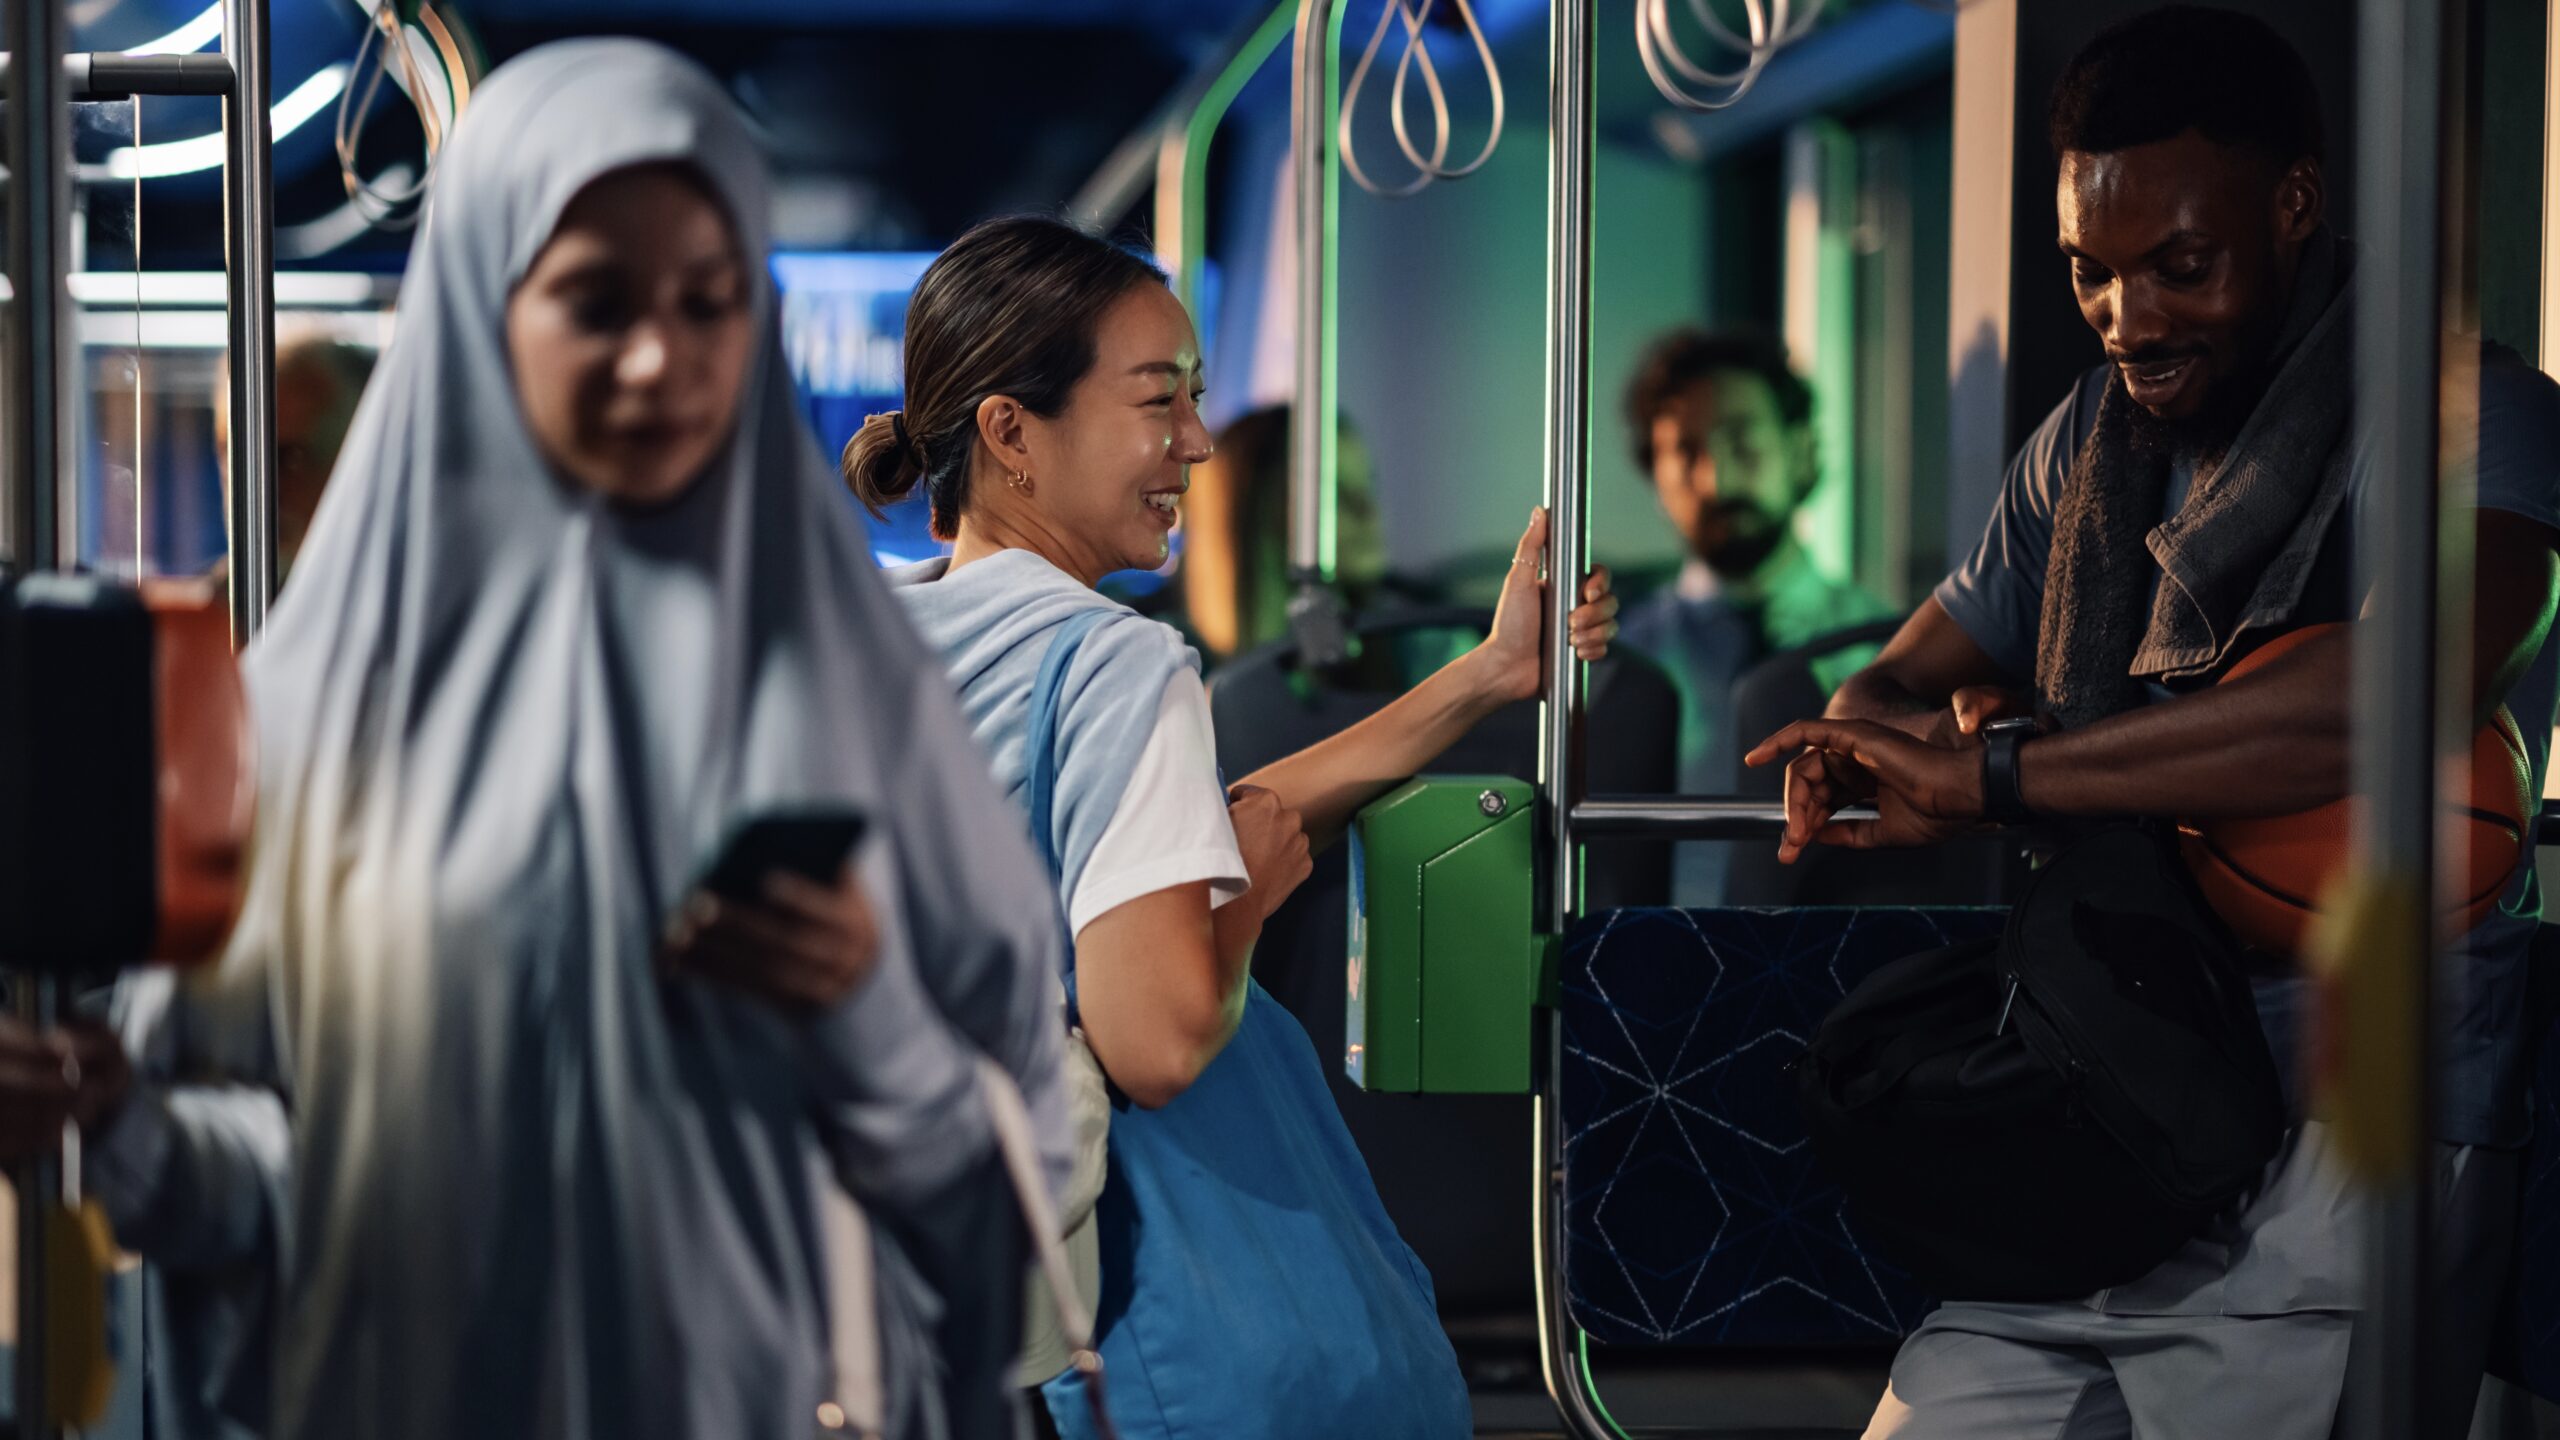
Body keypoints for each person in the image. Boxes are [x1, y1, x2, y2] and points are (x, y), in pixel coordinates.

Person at [17, 41, 1071, 1440]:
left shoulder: (857, 712)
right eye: (595, 301)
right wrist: (121, 1128)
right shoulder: (312, 726)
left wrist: (871, 1026)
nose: (662, 357)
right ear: (481, 307)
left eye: (710, 304)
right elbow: (270, 1177)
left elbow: (1009, 1232)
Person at [1744, 9, 2560, 1437]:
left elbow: (2395, 700)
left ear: (2294, 204)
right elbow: (1882, 689)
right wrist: (1893, 734)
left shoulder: (2471, 414)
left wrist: (2009, 769)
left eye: (2181, 266)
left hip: (2350, 1107)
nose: (2130, 319)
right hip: (2106, 1076)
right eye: (2091, 273)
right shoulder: (2087, 444)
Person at [847, 215, 1618, 1440]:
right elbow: (1151, 1039)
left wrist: (1485, 676)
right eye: (1158, 402)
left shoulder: (871, 636)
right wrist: (1244, 899)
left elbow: (1146, 833)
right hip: (1153, 1331)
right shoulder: (1112, 662)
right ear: (1010, 432)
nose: (1196, 444)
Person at [1617, 328, 1891, 904]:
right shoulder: (1620, 671)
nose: (1717, 480)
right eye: (1687, 452)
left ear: (1798, 449)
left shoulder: (1889, 651)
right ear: (1655, 477)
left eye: (1742, 441)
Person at [1177, 404, 1392, 664]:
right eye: (1336, 494)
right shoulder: (1169, 655)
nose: (1367, 512)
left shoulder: (1401, 640)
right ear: (1258, 508)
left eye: (1367, 486)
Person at [212, 330, 378, 583]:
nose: (261, 490)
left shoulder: (398, 602)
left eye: (290, 459)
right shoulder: (226, 606)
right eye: (237, 462)